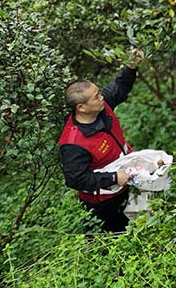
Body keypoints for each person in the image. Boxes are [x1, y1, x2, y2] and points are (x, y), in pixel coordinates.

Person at [58, 49, 144, 232]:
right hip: (104, 202)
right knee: (114, 239)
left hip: (126, 182)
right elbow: (76, 179)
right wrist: (114, 177)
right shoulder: (73, 143)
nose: (102, 97)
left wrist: (131, 66)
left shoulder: (101, 107)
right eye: (96, 96)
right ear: (81, 107)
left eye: (98, 92)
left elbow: (119, 88)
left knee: (139, 227)